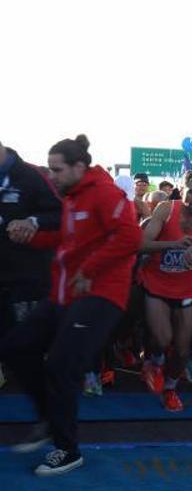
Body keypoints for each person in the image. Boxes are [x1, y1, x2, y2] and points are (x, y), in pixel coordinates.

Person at [1, 135, 141, 476]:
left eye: (57, 170)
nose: (51, 176)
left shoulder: (105, 193)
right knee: (16, 346)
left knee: (61, 367)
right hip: (65, 295)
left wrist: (88, 269)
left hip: (100, 295)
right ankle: (50, 420)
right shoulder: (73, 197)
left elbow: (130, 237)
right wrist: (30, 236)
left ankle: (67, 449)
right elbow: (66, 239)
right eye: (50, 170)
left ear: (79, 167)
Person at [139, 171, 192, 411]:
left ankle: (170, 388)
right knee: (163, 338)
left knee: (183, 348)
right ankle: (154, 360)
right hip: (157, 283)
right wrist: (174, 244)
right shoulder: (166, 209)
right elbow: (141, 244)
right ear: (182, 190)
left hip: (187, 287)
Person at [0, 141, 62, 390]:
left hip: (25, 277)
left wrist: (32, 221)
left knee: (27, 342)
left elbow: (60, 215)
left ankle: (48, 400)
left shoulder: (31, 175)